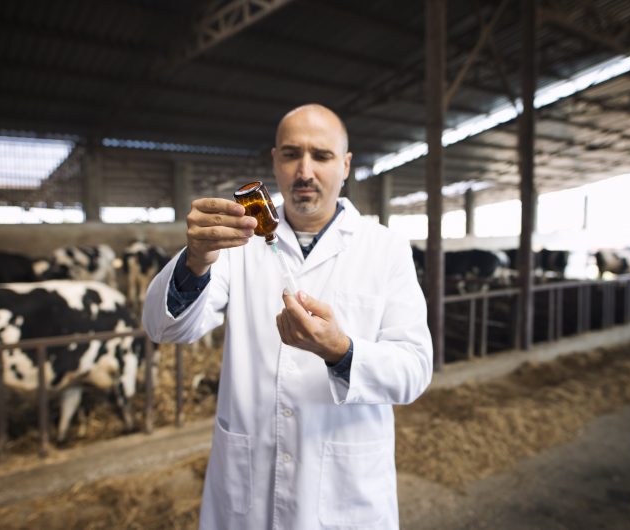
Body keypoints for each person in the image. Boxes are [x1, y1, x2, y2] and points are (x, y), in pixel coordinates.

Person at [143, 103, 433, 529]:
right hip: (249, 488)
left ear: (346, 165)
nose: (305, 171)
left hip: (345, 493)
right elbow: (163, 327)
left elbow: (414, 371)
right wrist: (196, 261)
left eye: (322, 156)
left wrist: (341, 350)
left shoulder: (385, 248)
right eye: (292, 154)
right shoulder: (237, 243)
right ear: (275, 160)